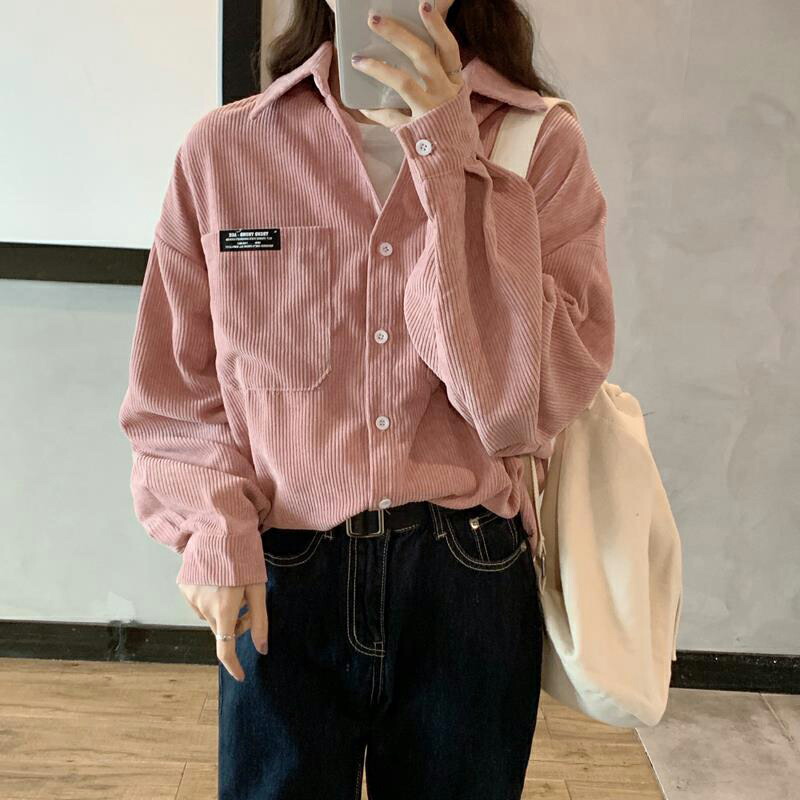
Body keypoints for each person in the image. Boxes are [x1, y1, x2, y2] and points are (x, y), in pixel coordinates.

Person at [117, 1, 614, 797]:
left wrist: (448, 153)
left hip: (466, 574)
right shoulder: (228, 149)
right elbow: (176, 397)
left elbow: (516, 404)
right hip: (281, 570)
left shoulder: (539, 145)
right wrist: (211, 529)